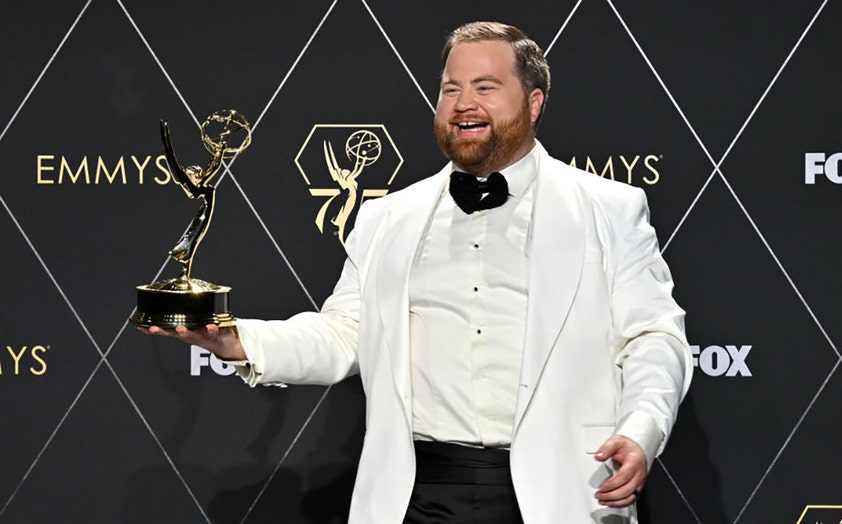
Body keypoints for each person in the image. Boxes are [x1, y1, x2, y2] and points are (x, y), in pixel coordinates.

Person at [143, 21, 692, 524]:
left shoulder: (609, 209)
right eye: (451, 88)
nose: (462, 103)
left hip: (562, 490)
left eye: (484, 87)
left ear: (534, 101)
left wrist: (642, 427)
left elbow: (653, 337)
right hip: (417, 494)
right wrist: (236, 341)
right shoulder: (388, 217)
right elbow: (342, 335)